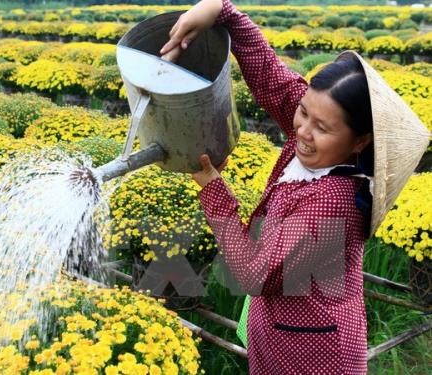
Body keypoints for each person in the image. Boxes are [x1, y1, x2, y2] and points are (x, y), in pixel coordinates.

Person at [160, 0, 429, 374]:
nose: (302, 130)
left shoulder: (333, 201)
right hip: (284, 328)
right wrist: (222, 12)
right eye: (304, 111)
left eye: (322, 127)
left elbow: (255, 274)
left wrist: (212, 190)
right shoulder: (321, 145)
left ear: (360, 142)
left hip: (313, 353)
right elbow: (274, 80)